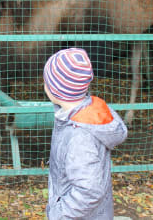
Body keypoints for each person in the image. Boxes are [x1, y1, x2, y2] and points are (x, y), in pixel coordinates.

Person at [43, 48, 127, 219]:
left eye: (46, 81)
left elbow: (89, 191)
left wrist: (59, 214)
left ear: (54, 89)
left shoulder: (79, 135)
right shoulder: (82, 114)